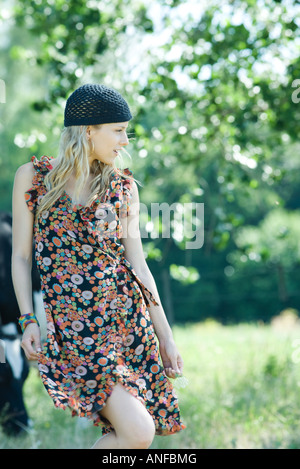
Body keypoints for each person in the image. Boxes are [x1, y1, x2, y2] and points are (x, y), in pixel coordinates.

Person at [11, 83, 185, 449]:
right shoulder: (33, 179)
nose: (125, 141)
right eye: (118, 130)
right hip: (76, 332)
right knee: (138, 432)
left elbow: (138, 264)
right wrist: (28, 318)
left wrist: (165, 337)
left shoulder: (123, 187)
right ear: (88, 130)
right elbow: (22, 257)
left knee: (130, 433)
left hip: (126, 325)